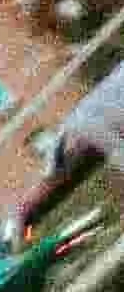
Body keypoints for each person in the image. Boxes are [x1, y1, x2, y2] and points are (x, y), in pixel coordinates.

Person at [9, 54, 124, 243]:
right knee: (54, 180)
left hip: (86, 131)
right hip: (88, 130)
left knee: (56, 179)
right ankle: (23, 230)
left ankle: (24, 229)